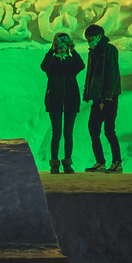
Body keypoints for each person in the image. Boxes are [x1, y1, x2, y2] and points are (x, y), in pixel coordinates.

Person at [39, 32, 84, 173]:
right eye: (59, 44)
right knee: (56, 133)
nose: (62, 47)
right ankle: (54, 163)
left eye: (65, 44)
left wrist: (73, 50)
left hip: (71, 100)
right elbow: (44, 66)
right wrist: (51, 51)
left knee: (68, 133)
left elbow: (81, 65)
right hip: (54, 100)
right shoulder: (52, 61)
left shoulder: (71, 61)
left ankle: (67, 163)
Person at [83, 23, 122, 170]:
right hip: (97, 97)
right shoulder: (92, 52)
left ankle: (117, 162)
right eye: (87, 39)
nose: (89, 42)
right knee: (93, 129)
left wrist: (108, 96)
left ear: (99, 37)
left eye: (91, 39)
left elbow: (112, 73)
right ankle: (100, 162)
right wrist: (87, 93)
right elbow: (90, 74)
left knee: (109, 130)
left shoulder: (109, 50)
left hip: (108, 97)